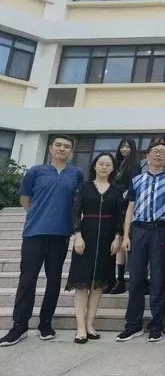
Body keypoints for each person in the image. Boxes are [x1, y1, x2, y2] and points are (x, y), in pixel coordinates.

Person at [0, 135, 84, 347]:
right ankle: (19, 326)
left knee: (54, 280)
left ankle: (45, 323)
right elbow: (24, 198)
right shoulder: (36, 171)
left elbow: (78, 202)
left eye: (67, 146)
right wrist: (37, 214)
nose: (62, 149)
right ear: (50, 148)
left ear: (71, 151)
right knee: (27, 280)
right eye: (58, 145)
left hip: (60, 234)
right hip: (34, 233)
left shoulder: (76, 174)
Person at [116, 141, 165, 343]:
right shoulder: (136, 180)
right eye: (155, 151)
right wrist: (126, 235)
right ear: (147, 155)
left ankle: (156, 325)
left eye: (162, 152)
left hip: (160, 230)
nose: (158, 155)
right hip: (139, 230)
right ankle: (132, 325)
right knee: (136, 279)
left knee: (158, 279)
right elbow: (130, 208)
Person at [65, 152, 124, 344]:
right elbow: (75, 212)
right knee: (82, 283)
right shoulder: (84, 187)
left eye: (108, 164)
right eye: (101, 163)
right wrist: (77, 235)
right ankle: (80, 327)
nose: (104, 167)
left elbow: (120, 217)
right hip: (86, 235)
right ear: (95, 166)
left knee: (98, 284)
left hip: (108, 238)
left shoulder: (117, 191)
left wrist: (117, 237)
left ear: (113, 168)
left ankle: (90, 324)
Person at [110, 138, 141, 295]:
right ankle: (115, 279)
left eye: (128, 147)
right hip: (112, 205)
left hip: (125, 206)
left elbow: (134, 186)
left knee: (123, 242)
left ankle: (123, 280)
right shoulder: (116, 164)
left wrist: (123, 197)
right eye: (122, 146)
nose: (124, 149)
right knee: (114, 244)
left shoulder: (134, 165)